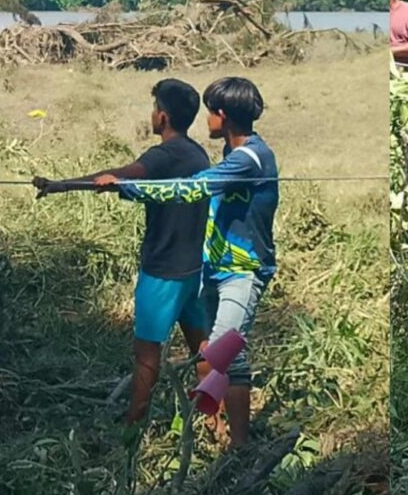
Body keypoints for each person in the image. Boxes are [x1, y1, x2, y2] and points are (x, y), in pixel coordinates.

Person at [96, 77, 277, 450]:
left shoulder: (249, 159)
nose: (206, 119)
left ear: (222, 116)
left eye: (211, 112)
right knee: (213, 351)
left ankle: (239, 447)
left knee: (227, 353)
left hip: (242, 272)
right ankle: (215, 427)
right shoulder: (233, 152)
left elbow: (193, 187)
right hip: (216, 269)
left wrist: (126, 186)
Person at [32, 79, 209, 426]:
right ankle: (215, 418)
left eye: (154, 108)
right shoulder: (196, 152)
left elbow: (120, 176)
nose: (152, 114)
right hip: (192, 268)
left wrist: (61, 185)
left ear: (163, 116)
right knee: (202, 348)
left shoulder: (163, 155)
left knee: (146, 354)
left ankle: (133, 428)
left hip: (162, 271)